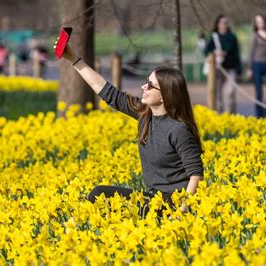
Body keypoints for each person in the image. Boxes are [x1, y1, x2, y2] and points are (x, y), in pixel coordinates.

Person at [54, 39, 204, 217]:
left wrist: (182, 212)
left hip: (172, 205)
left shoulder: (179, 129)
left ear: (165, 94)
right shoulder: (145, 116)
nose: (144, 87)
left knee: (100, 197)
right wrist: (73, 58)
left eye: (150, 85)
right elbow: (105, 91)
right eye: (146, 81)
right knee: (99, 194)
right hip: (152, 199)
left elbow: (196, 175)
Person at [204, 14, 242, 114]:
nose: (223, 25)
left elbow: (236, 53)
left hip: (230, 68)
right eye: (221, 23)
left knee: (230, 92)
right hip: (217, 68)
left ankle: (229, 114)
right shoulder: (213, 37)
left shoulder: (232, 37)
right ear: (217, 24)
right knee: (217, 93)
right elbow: (206, 51)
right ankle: (218, 115)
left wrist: (239, 70)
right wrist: (216, 52)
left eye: (225, 23)